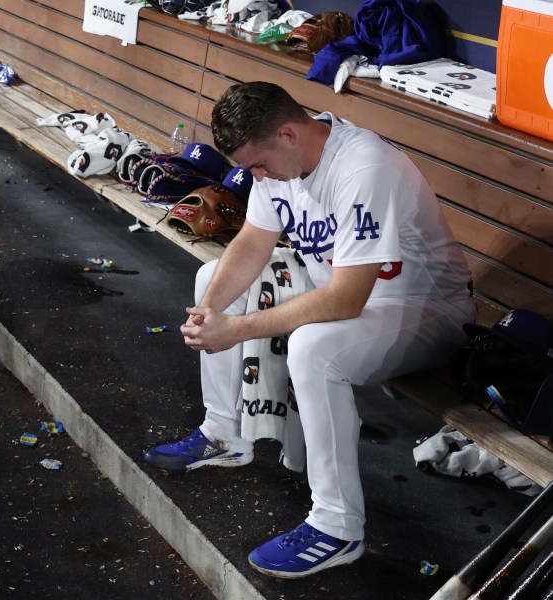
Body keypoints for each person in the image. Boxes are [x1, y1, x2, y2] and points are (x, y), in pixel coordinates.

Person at [143, 81, 476, 578]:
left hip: (423, 310)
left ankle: (338, 528)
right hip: (348, 291)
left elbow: (347, 299)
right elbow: (254, 242)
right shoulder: (278, 159)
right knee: (212, 278)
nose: (255, 175)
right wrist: (210, 312)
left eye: (258, 164)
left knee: (314, 348)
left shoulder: (363, 167)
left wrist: (238, 328)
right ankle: (224, 433)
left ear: (289, 133)